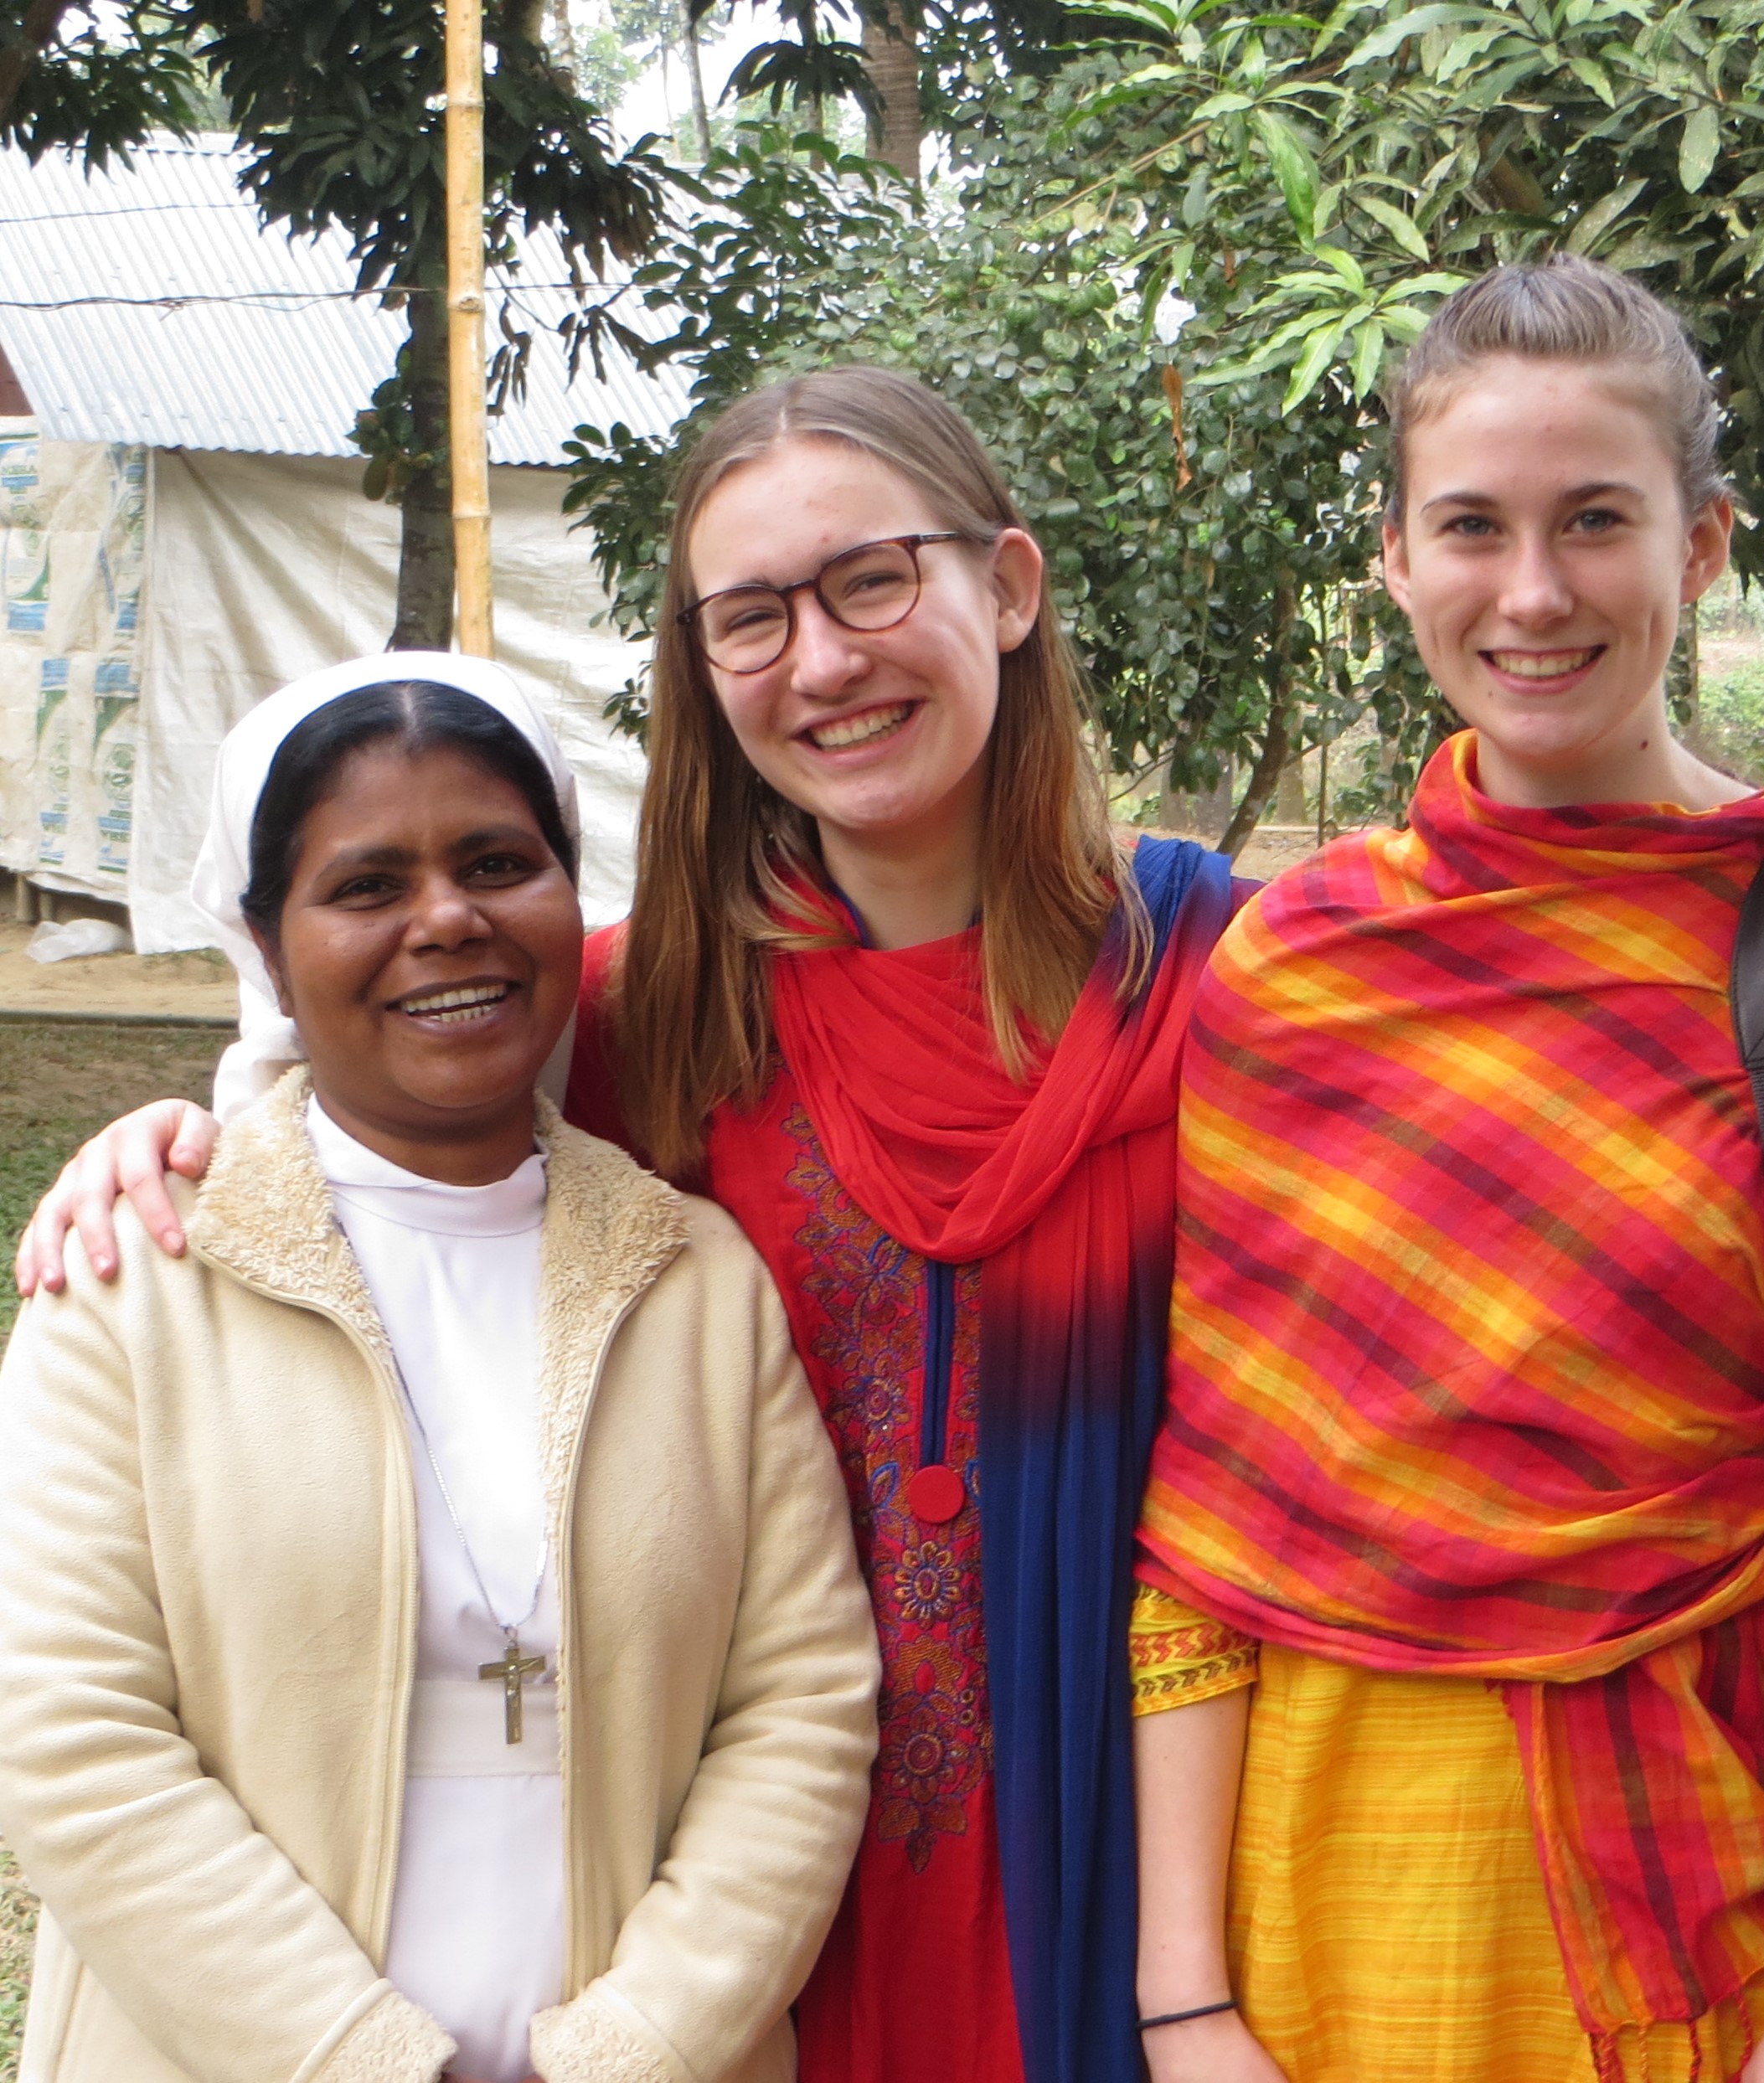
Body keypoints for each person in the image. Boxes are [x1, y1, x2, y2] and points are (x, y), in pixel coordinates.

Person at [14, 370, 1240, 2083]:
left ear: (1010, 585)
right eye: (753, 616)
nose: (824, 660)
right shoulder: (642, 1011)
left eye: (872, 579)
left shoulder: (1227, 985)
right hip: (747, 1920)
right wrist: (187, 1134)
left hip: (1137, 1850)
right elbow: (375, 1088)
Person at [1125, 255, 1764, 2083]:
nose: (1532, 592)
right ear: (1394, 558)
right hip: (1314, 1907)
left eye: (1595, 519)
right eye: (1472, 526)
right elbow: (1206, 1524)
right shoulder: (1296, 965)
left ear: (1702, 543)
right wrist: (1183, 1997)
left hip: (1714, 1909)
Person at [0, 660, 880, 2083]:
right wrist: (363, 2062)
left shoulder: (699, 1284)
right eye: (366, 885)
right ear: (266, 947)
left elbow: (802, 1705)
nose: (448, 920)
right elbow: (69, 1738)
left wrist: (633, 2050)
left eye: (496, 863)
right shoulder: (135, 1282)